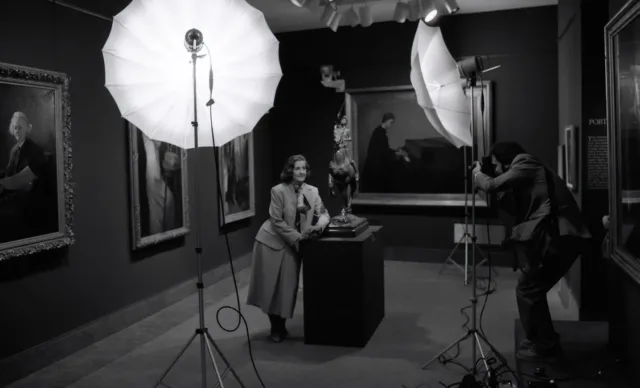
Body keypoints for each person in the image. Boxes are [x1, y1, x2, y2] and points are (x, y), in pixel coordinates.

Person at [472, 142, 591, 361]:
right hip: (558, 238)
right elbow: (514, 207)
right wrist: (491, 180)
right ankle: (541, 341)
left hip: (560, 238)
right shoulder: (526, 171)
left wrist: (478, 174)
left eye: (497, 165)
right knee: (531, 288)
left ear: (507, 160)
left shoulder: (525, 163)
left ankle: (546, 345)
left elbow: (492, 185)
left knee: (529, 289)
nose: (497, 170)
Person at [246, 154, 330, 343]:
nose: (301, 172)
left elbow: (324, 213)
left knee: (287, 287)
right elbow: (276, 220)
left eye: (304, 168)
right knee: (271, 287)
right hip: (271, 242)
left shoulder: (313, 191)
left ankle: (280, 325)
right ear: (290, 170)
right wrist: (298, 238)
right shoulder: (278, 191)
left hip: (294, 244)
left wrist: (320, 226)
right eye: (297, 168)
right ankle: (277, 328)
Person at [361, 112, 409, 192]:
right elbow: (384, 152)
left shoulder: (379, 131)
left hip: (377, 163)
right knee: (397, 170)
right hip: (375, 167)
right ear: (386, 121)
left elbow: (384, 149)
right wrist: (398, 153)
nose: (391, 124)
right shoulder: (380, 133)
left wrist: (396, 151)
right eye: (391, 122)